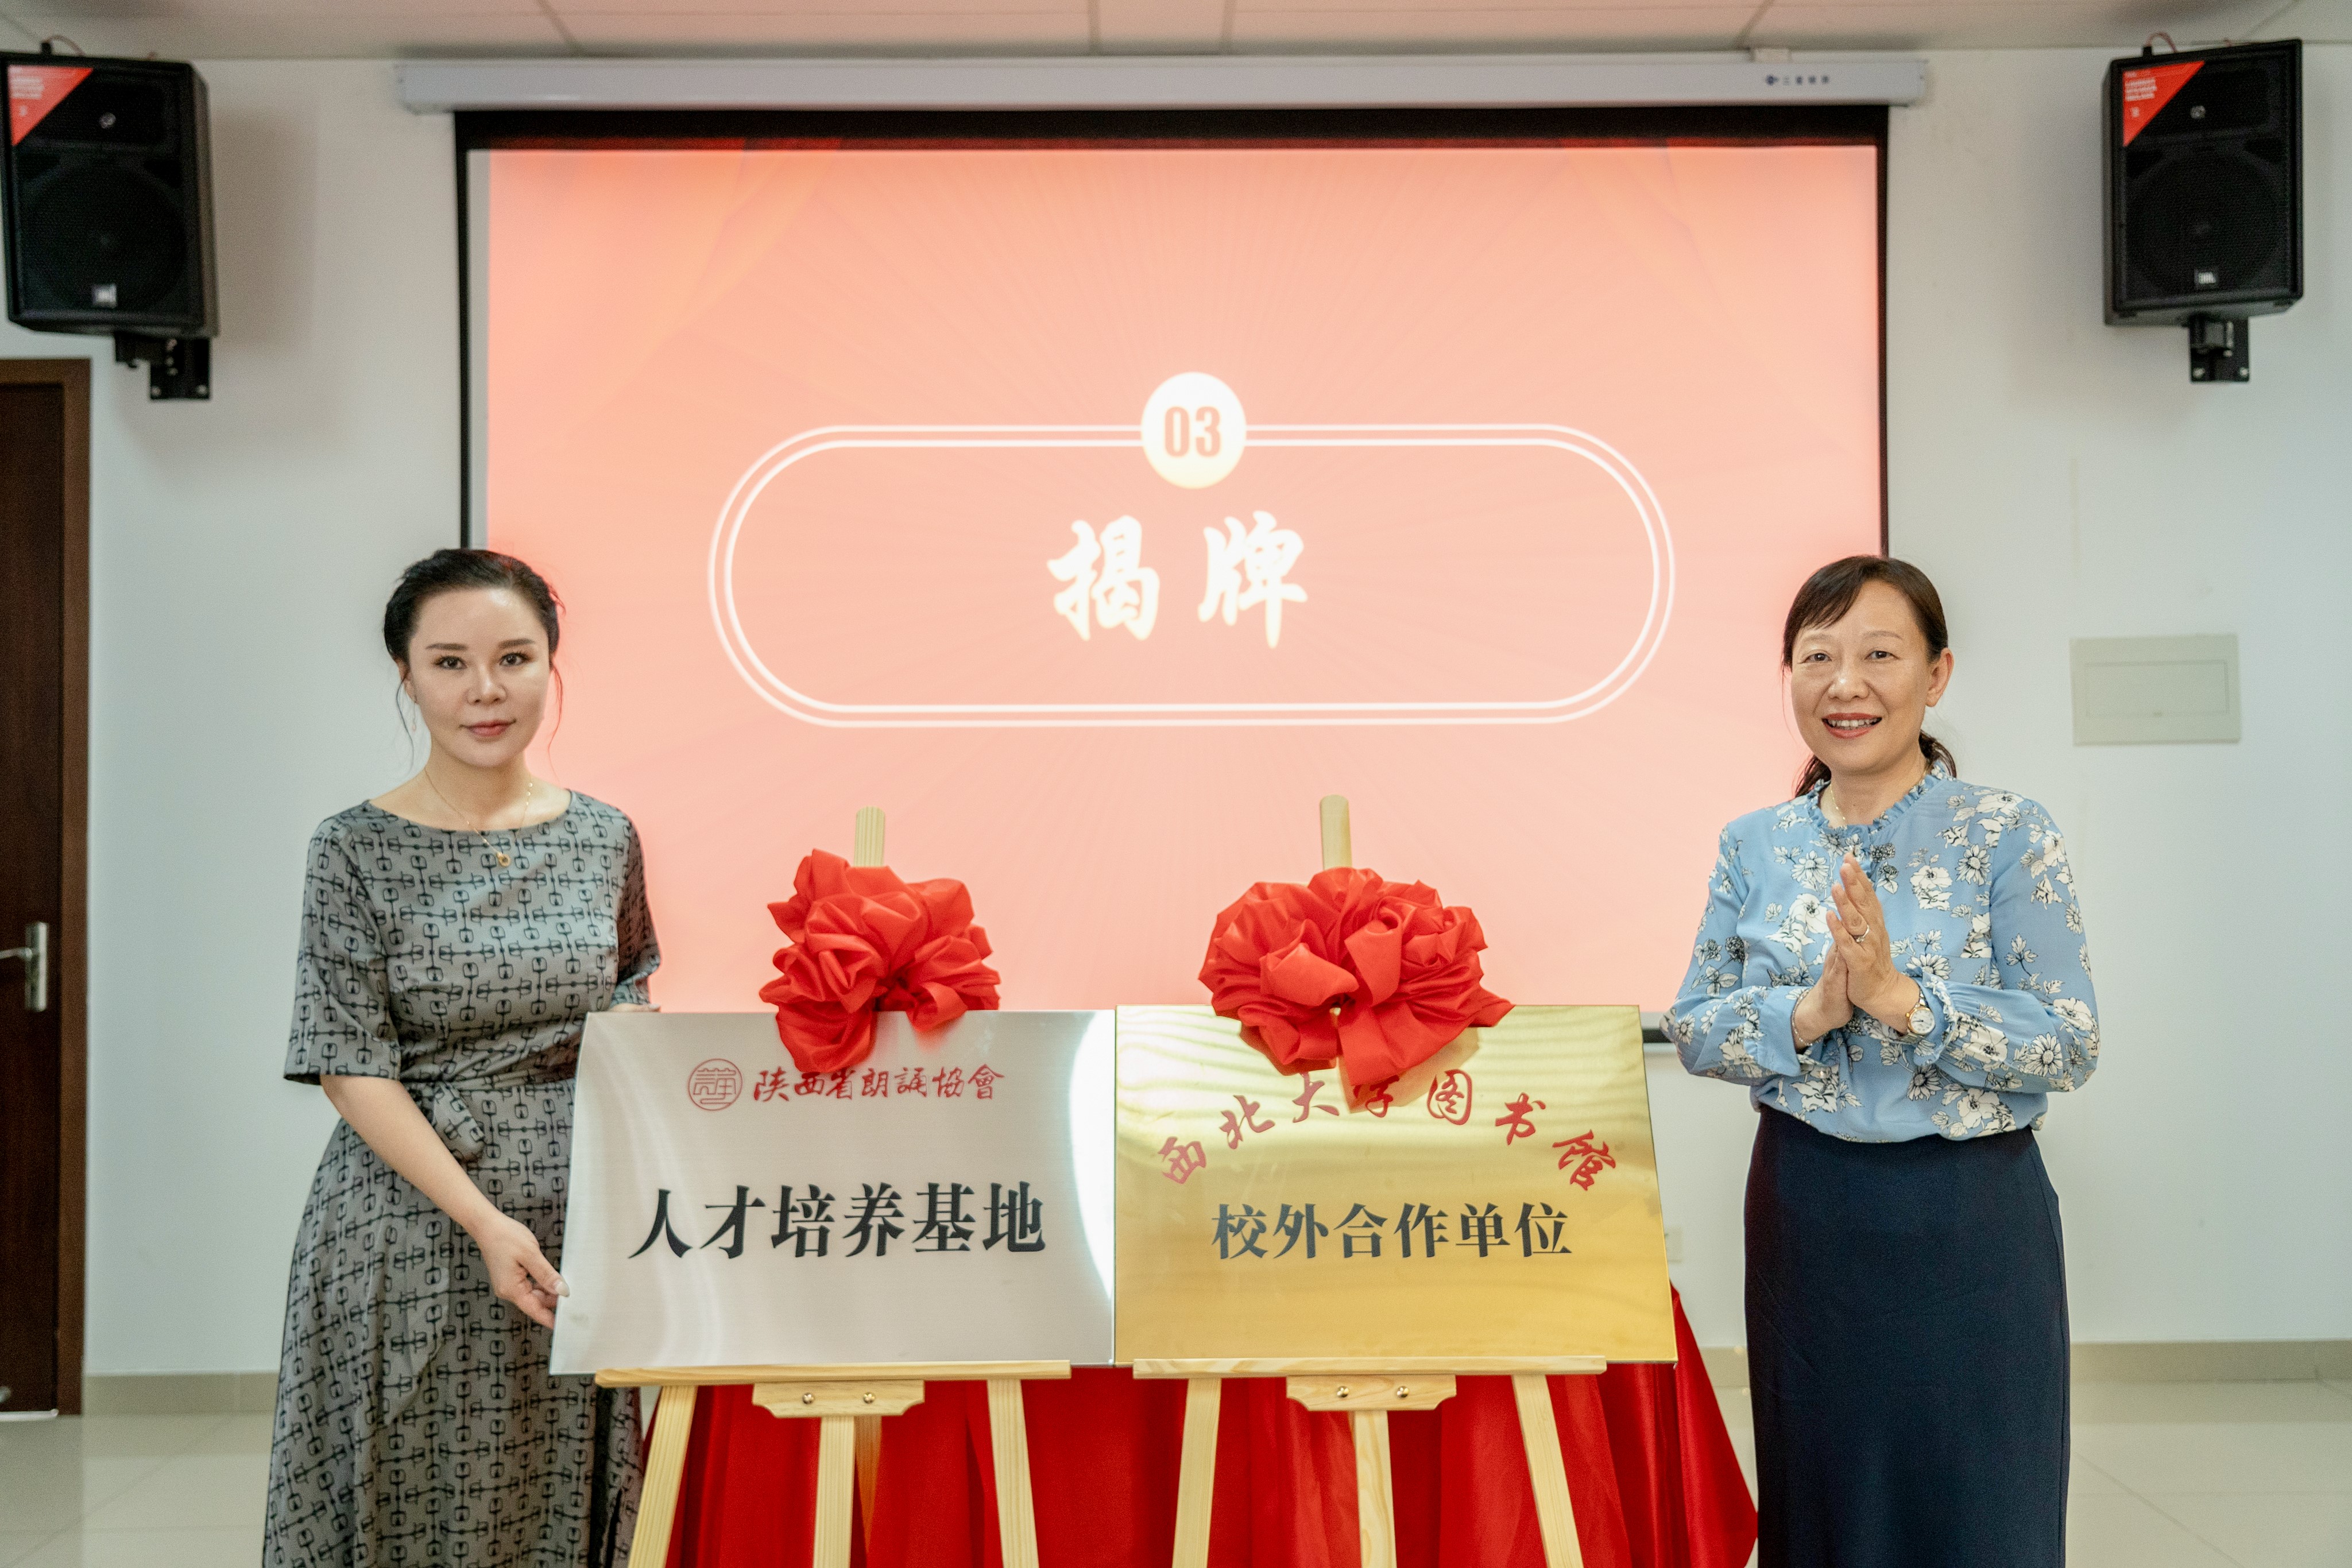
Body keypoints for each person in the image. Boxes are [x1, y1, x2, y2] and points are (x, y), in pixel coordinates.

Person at [1665, 555, 2098, 1568]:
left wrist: (1907, 1002)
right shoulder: (1754, 845)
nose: (1845, 684)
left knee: (1980, 1505)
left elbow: (2069, 1039)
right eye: (1818, 657)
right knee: (1828, 1502)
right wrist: (1809, 1011)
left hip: (1971, 1218)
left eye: (1880, 655)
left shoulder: (2008, 833)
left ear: (1936, 674)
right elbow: (1694, 1026)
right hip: (1810, 1211)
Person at [266, 549, 658, 1567]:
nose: (486, 690)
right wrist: (485, 1221)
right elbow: (349, 1060)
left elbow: (628, 1003)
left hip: (575, 1217)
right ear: (407, 676)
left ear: (550, 666)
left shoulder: (606, 837)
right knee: (410, 1489)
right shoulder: (352, 848)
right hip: (408, 1220)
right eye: (450, 663)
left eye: (514, 658)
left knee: (564, 1484)